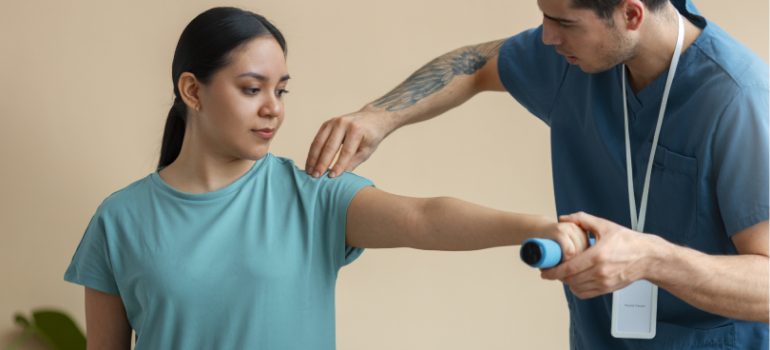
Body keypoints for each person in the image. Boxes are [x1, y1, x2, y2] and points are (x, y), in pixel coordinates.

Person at [63, 7, 587, 349]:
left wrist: (533, 226)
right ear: (193, 91)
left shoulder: (310, 195)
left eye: (281, 90)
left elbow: (422, 219)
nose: (273, 109)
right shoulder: (120, 219)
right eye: (252, 89)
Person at [305, 0, 769, 348]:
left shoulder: (738, 100)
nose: (546, 37)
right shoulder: (579, 60)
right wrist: (379, 116)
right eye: (545, 16)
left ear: (631, 15)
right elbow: (476, 64)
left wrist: (651, 259)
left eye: (564, 23)